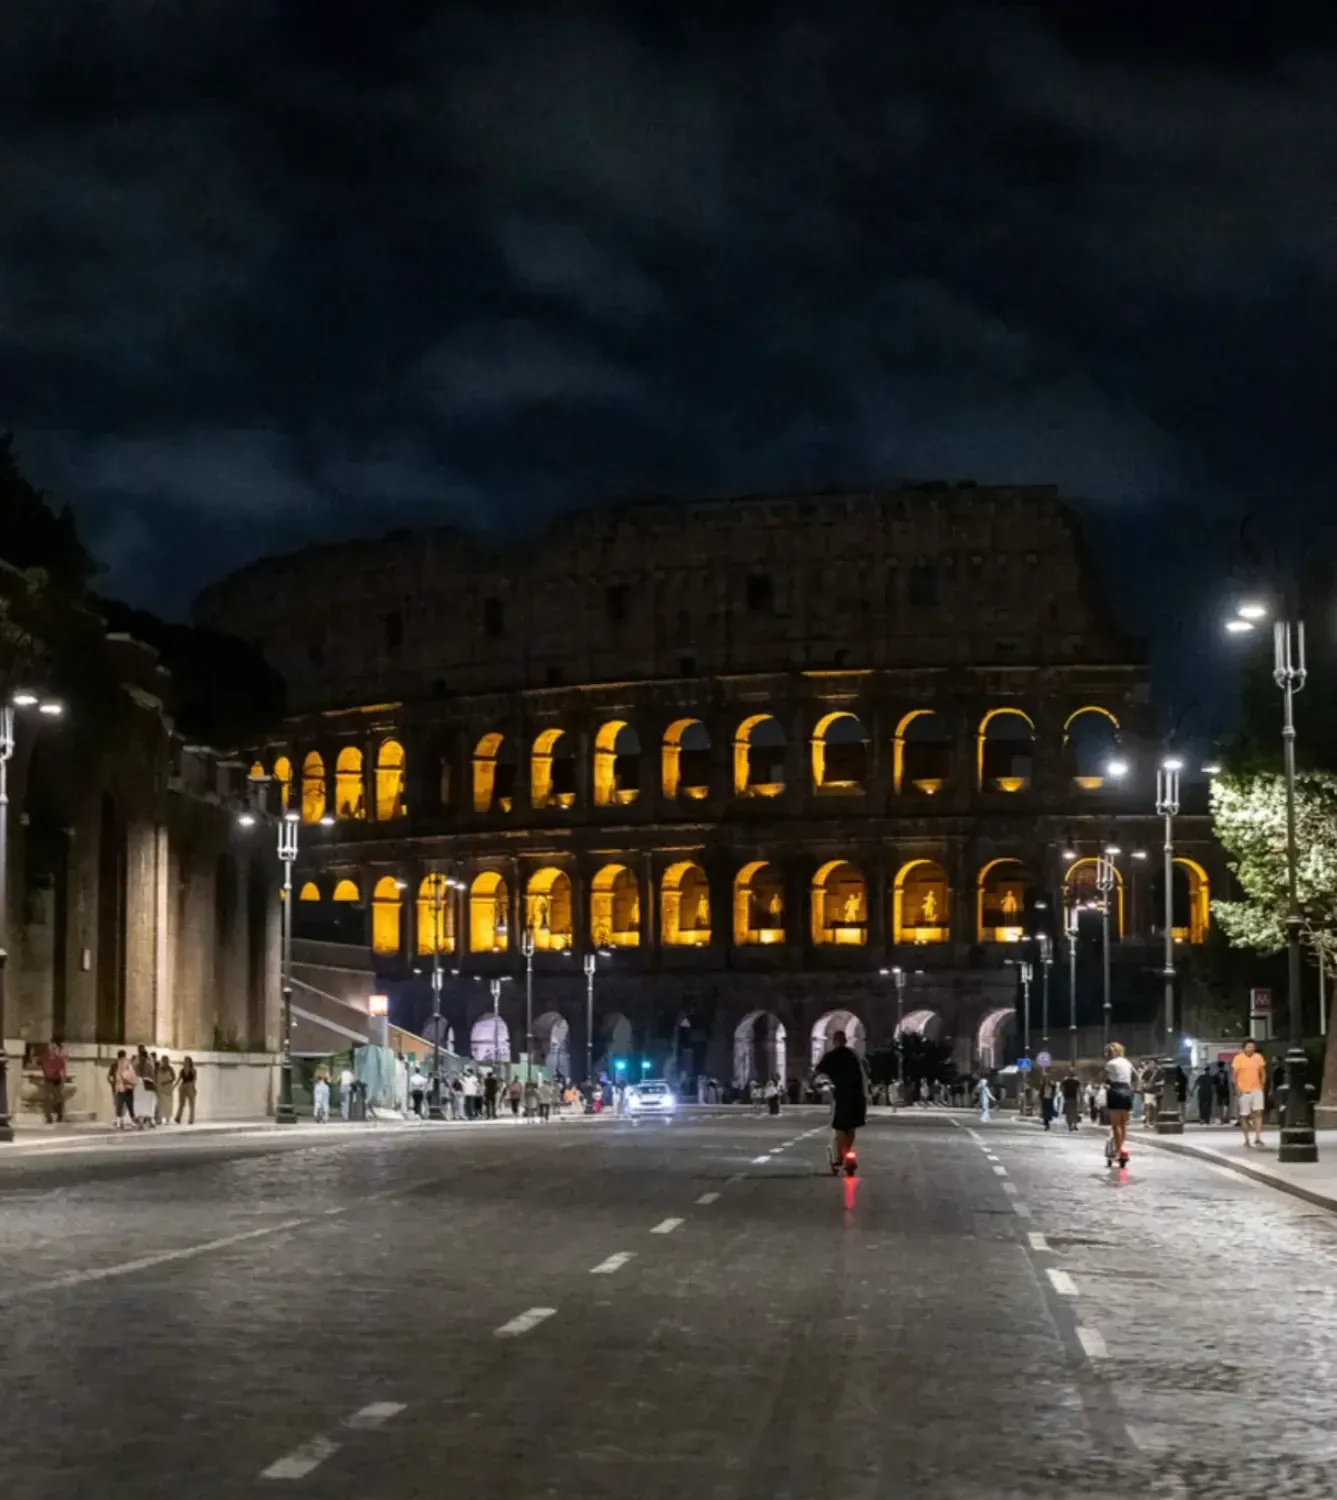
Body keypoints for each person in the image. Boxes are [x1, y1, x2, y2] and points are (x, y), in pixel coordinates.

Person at [813, 1029, 868, 1172]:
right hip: (858, 1097)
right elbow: (865, 1072)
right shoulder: (854, 1055)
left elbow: (818, 1073)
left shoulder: (830, 1057)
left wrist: (819, 1085)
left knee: (840, 1127)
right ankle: (848, 1154)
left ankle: (841, 1158)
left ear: (834, 1041)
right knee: (851, 1128)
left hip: (841, 1096)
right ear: (846, 1040)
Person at [1231, 1038, 1268, 1148]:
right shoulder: (1238, 1058)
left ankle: (1258, 1137)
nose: (1251, 1049)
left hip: (1257, 1089)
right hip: (1244, 1090)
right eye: (1248, 1047)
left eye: (1252, 1047)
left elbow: (1263, 1073)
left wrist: (1262, 1085)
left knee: (1258, 1113)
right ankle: (1246, 1139)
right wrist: (1237, 1088)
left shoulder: (1258, 1057)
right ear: (1244, 1048)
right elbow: (1234, 1075)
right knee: (1244, 1115)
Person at [1104, 1042, 1135, 1167]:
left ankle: (1117, 1151)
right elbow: (1136, 1076)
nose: (1108, 1054)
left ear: (1114, 1052)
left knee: (1116, 1124)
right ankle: (1121, 1148)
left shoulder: (1110, 1063)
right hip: (1127, 1091)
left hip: (1116, 1091)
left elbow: (1108, 1078)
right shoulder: (1127, 1062)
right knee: (1123, 1124)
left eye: (1109, 1052)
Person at [41, 1042, 68, 1124]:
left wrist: (63, 1082)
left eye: (54, 1048)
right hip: (48, 1081)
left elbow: (63, 1072)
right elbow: (38, 1063)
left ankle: (60, 1116)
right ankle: (48, 1117)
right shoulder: (45, 1058)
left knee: (59, 1099)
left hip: (57, 1081)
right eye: (51, 1048)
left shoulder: (59, 1060)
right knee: (48, 1098)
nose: (52, 1050)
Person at [175, 1056, 198, 1124]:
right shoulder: (182, 1070)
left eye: (187, 1061)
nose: (185, 1062)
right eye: (185, 1060)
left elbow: (194, 1080)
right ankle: (178, 1118)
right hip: (183, 1086)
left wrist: (194, 1088)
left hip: (190, 1085)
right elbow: (179, 1079)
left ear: (190, 1062)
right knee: (181, 1103)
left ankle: (191, 1120)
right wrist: (174, 1086)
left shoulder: (193, 1070)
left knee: (191, 1104)